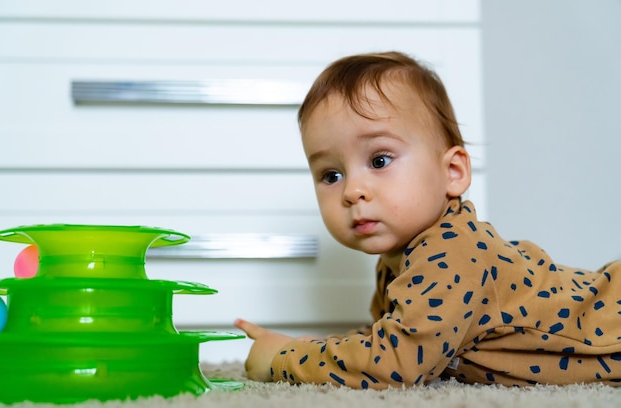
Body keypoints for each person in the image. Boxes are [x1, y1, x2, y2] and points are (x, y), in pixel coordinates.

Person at [234, 51, 621, 389]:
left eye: (379, 160)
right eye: (331, 175)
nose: (353, 190)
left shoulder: (452, 251)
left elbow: (396, 363)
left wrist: (285, 360)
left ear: (453, 172)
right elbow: (394, 337)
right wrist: (310, 349)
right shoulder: (399, 259)